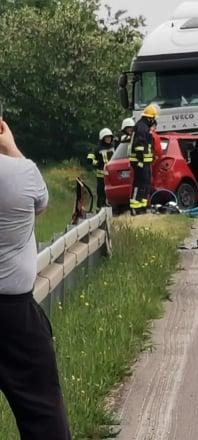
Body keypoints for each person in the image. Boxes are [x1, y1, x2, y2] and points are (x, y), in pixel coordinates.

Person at [0, 118, 72, 439]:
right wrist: (11, 147)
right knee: (42, 412)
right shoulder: (22, 173)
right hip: (15, 317)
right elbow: (41, 204)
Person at [129, 105, 158, 215]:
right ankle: (135, 207)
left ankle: (142, 207)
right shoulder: (141, 127)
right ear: (149, 118)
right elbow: (139, 146)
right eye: (153, 118)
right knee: (139, 183)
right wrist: (140, 161)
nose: (154, 121)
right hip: (139, 161)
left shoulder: (144, 127)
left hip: (145, 161)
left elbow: (147, 146)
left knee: (145, 184)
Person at [86, 128, 115, 208]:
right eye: (107, 137)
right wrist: (97, 163)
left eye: (110, 137)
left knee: (110, 190)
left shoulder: (113, 147)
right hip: (101, 174)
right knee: (101, 191)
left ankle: (110, 204)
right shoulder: (98, 148)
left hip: (111, 173)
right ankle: (100, 206)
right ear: (102, 138)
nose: (109, 139)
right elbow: (90, 159)